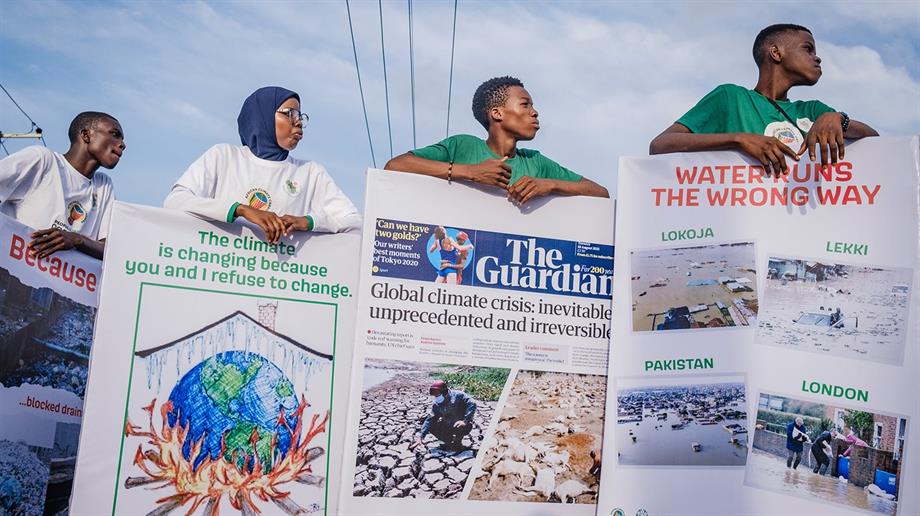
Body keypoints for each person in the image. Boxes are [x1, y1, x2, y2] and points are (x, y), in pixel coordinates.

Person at [649, 24, 877, 176]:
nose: (817, 57)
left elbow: (876, 142)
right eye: (808, 49)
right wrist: (739, 139)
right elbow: (660, 145)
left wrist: (838, 119)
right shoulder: (731, 97)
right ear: (776, 53)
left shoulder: (814, 110)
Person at [164, 86, 360, 243]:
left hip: (282, 284)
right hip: (223, 276)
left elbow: (353, 222)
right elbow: (175, 201)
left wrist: (309, 221)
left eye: (300, 117)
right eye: (290, 114)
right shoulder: (224, 156)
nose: (298, 123)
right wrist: (241, 210)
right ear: (262, 116)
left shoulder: (310, 172)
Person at [385, 76, 608, 205]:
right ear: (497, 113)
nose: (535, 112)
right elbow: (395, 166)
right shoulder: (463, 145)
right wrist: (470, 172)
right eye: (525, 104)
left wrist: (549, 184)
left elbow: (600, 193)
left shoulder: (535, 162)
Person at [0, 111, 124, 259]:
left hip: (59, 279)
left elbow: (110, 249)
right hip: (12, 270)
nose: (122, 144)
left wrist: (77, 240)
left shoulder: (104, 185)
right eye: (115, 135)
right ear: (86, 135)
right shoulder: (43, 160)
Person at [412, 380, 476, 451]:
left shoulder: (459, 396)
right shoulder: (437, 404)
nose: (436, 398)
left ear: (445, 392)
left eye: (438, 395)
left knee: (460, 425)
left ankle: (457, 444)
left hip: (461, 425)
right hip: (447, 426)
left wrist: (465, 421)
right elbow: (430, 419)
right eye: (435, 396)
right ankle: (447, 442)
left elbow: (472, 404)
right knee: (428, 422)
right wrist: (421, 437)